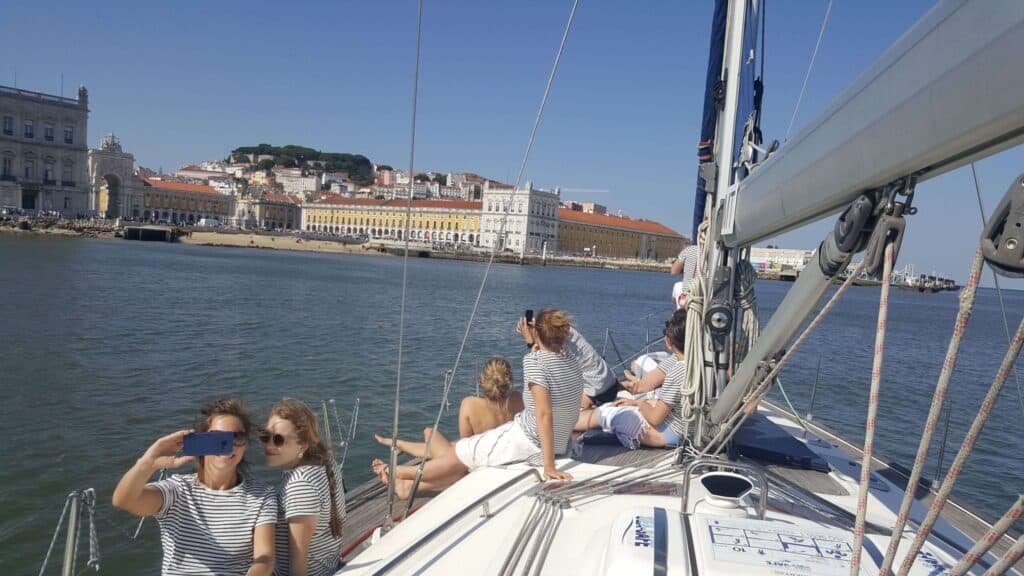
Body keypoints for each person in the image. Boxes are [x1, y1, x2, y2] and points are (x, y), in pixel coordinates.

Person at [371, 309, 585, 497]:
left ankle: (396, 471)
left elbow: (544, 414)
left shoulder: (533, 362)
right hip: (560, 444)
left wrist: (549, 465)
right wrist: (532, 342)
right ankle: (406, 487)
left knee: (458, 453)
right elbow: (548, 367)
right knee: (449, 446)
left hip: (528, 440)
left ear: (537, 333)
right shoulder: (572, 364)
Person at [112, 398, 276, 576]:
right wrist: (147, 463)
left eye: (238, 437)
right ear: (201, 441)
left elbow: (265, 557)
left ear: (246, 444)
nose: (228, 445)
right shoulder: (177, 491)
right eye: (216, 437)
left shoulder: (262, 496)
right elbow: (124, 500)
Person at [576, 308, 690, 449]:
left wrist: (639, 404)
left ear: (668, 341)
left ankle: (566, 424)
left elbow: (655, 418)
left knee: (608, 411)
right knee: (649, 402)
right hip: (690, 430)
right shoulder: (703, 364)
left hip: (667, 435)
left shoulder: (677, 371)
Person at [372, 357, 523, 459]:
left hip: (478, 459)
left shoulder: (470, 404)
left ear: (481, 380)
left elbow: (466, 448)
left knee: (429, 433)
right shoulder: (519, 399)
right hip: (505, 455)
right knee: (448, 444)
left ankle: (398, 448)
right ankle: (400, 445)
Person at [262, 399, 344, 576]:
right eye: (265, 436)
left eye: (278, 440)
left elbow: (298, 562)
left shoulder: (301, 486)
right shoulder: (325, 461)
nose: (269, 445)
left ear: (302, 446)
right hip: (328, 566)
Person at [517, 316, 617, 408]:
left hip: (599, 396)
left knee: (545, 391)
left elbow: (539, 367)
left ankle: (586, 403)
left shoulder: (558, 347)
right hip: (612, 384)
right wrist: (537, 329)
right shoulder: (568, 331)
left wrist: (530, 341)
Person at [671, 243, 701, 309]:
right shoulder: (714, 251)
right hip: (703, 301)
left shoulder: (690, 250)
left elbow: (674, 271)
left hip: (688, 301)